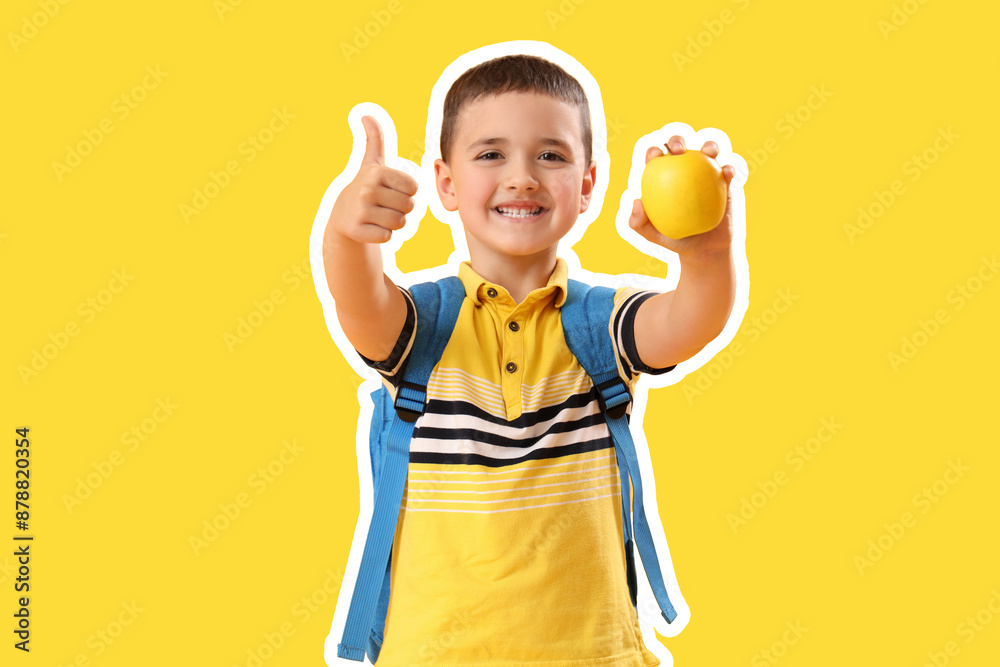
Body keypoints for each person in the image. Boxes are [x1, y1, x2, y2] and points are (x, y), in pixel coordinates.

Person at [322, 51, 736, 665]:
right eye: (491, 154)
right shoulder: (422, 328)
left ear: (588, 185)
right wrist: (347, 234)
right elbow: (357, 300)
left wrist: (705, 254)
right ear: (446, 183)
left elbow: (690, 322)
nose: (522, 177)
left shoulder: (600, 324)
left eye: (551, 155)